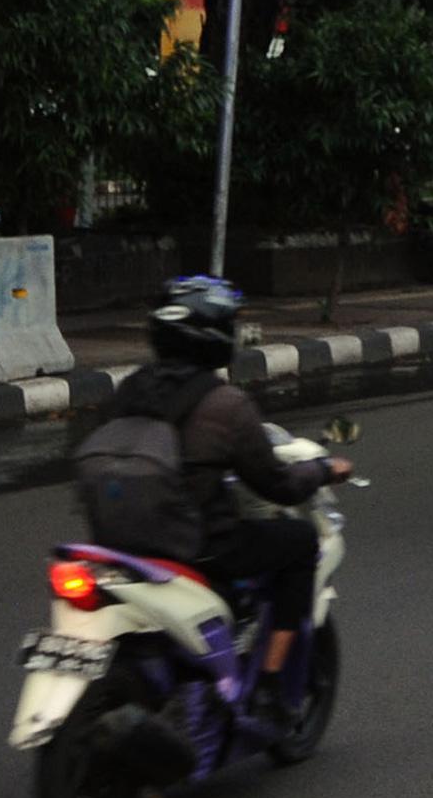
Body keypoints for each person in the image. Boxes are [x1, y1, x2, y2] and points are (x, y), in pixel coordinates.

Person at [77, 278, 349, 728]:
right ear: (217, 336)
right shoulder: (225, 405)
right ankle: (270, 682)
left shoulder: (126, 391)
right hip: (198, 548)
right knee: (300, 541)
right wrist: (323, 470)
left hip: (118, 543)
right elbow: (276, 485)